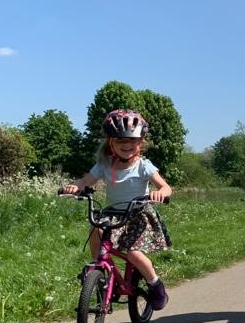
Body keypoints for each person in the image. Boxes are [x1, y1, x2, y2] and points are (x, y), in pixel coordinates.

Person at [61, 109, 174, 311]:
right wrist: (76, 186)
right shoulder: (104, 165)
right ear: (111, 143)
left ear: (141, 143)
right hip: (112, 213)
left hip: (138, 214)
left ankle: (155, 285)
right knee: (95, 230)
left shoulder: (143, 166)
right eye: (120, 141)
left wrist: (160, 193)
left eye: (132, 140)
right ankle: (99, 270)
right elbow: (86, 180)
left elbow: (165, 187)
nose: (127, 145)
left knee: (133, 254)